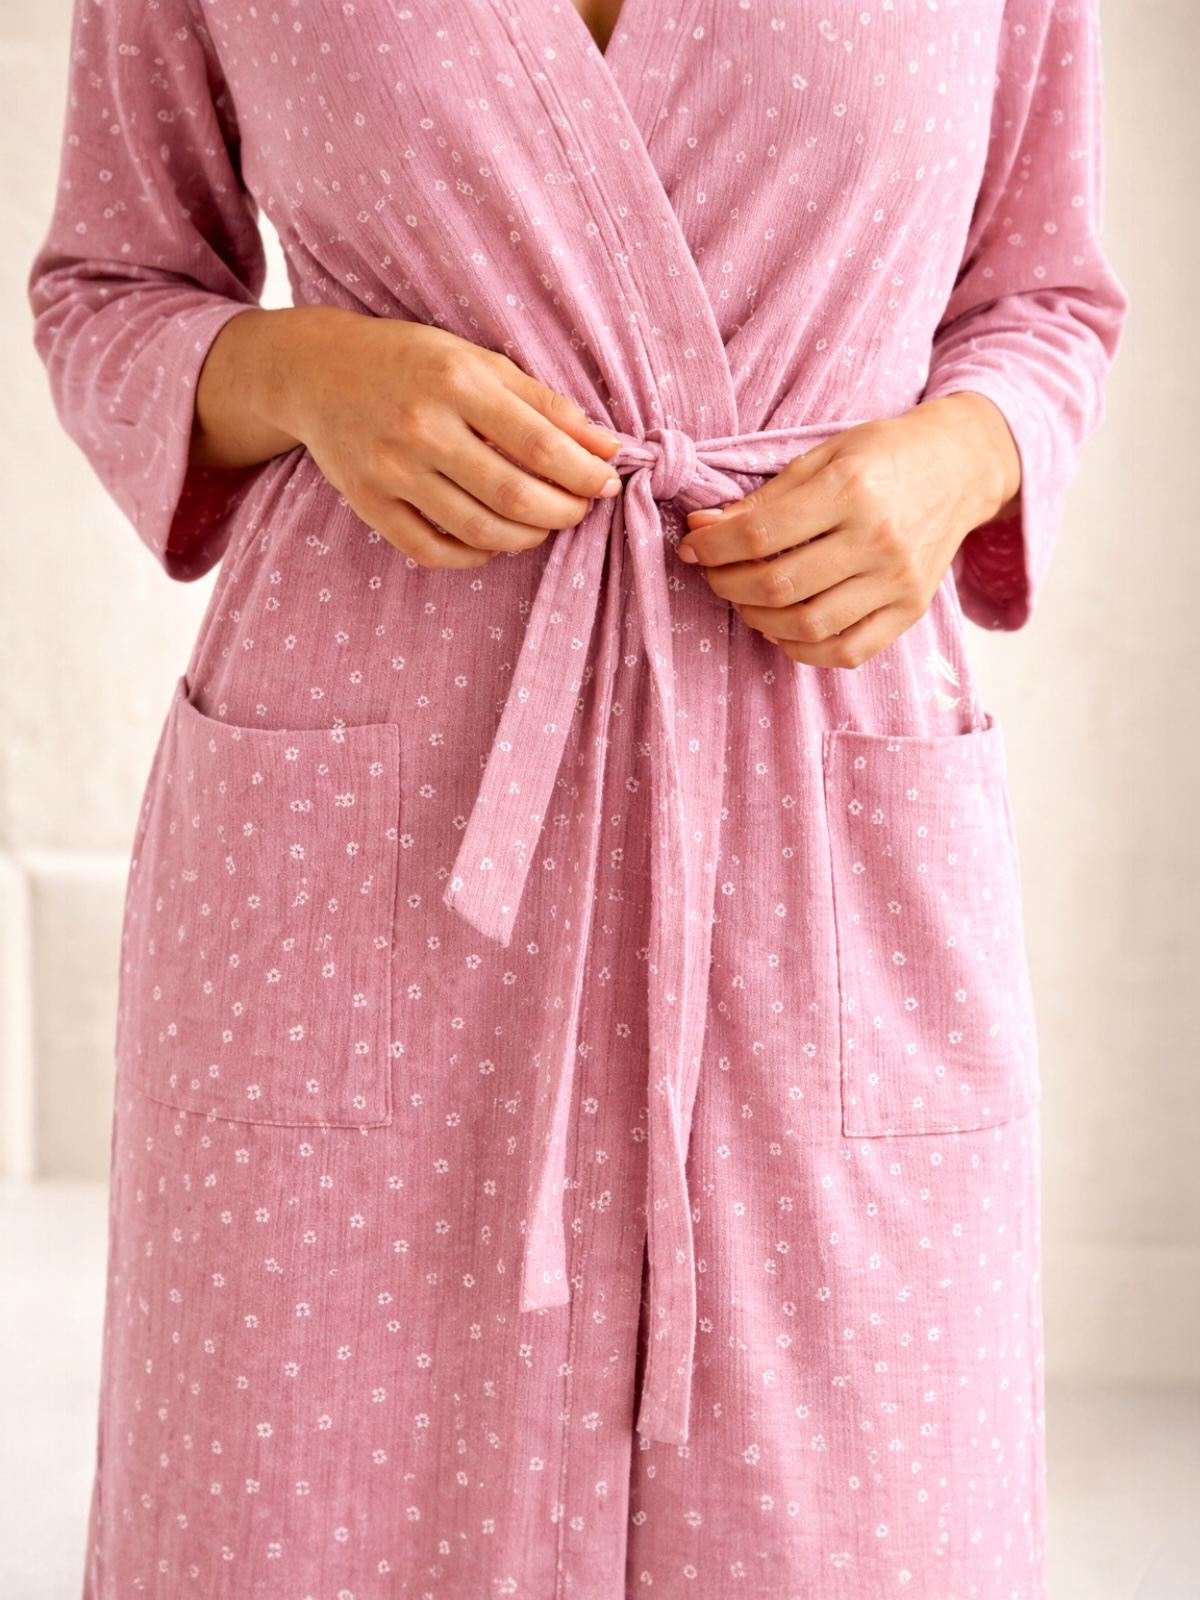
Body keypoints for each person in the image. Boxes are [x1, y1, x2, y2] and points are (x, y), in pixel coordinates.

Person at [30, 0, 1126, 1593]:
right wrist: (297, 370)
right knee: (296, 1511)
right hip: (362, 827)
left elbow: (1044, 298)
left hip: (811, 782)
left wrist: (964, 458)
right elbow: (108, 289)